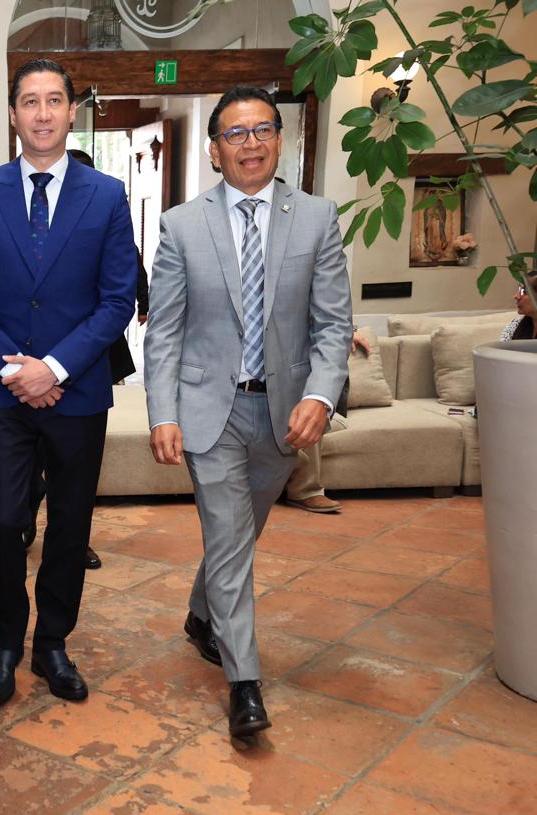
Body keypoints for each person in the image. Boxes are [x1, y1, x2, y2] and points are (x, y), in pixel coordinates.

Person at [144, 85, 351, 739]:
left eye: (263, 129)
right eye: (236, 133)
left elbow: (333, 324)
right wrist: (162, 412)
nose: (251, 143)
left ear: (280, 140)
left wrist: (320, 395)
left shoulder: (316, 218)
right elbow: (164, 332)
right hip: (211, 412)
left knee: (236, 534)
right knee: (232, 540)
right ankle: (245, 684)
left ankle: (201, 613)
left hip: (285, 416)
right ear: (215, 151)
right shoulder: (182, 226)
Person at [0, 59, 137, 711]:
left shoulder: (106, 195)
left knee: (70, 525)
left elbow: (117, 300)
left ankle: (52, 642)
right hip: (1, 393)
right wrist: (18, 370)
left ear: (71, 111)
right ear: (12, 114)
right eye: (31, 101)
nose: (44, 112)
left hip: (76, 393)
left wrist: (52, 368)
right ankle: (6, 642)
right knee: (4, 522)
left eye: (55, 100)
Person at [22, 148, 147, 571]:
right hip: (25, 364)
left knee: (76, 469)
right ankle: (25, 519)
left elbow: (127, 274)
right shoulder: (27, 215)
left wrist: (59, 367)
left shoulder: (106, 207)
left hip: (90, 358)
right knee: (29, 462)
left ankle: (76, 540)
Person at [284, 329, 372, 513]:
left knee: (309, 416)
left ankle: (306, 491)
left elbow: (330, 324)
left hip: (324, 408)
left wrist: (347, 332)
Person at [501, 271, 537, 341]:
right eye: (519, 290)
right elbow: (503, 347)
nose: (517, 296)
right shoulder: (515, 325)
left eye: (524, 292)